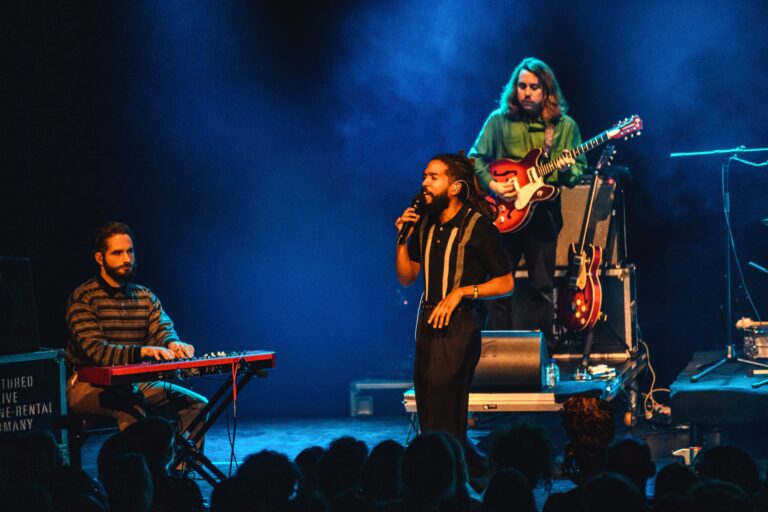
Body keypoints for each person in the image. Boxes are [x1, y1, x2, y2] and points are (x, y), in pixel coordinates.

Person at [395, 152, 514, 448]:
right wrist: (400, 239)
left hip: (460, 325)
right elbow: (407, 276)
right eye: (424, 176)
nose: (425, 182)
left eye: (434, 177)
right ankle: (454, 473)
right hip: (427, 324)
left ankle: (455, 477)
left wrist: (463, 291)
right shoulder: (424, 223)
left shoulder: (477, 225)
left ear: (455, 187)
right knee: (428, 410)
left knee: (446, 414)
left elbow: (506, 282)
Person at [468, 57, 586, 350]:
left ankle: (543, 356)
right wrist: (494, 184)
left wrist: (568, 167)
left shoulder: (563, 127)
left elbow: (576, 172)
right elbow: (474, 159)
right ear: (514, 88)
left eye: (534, 87)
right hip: (504, 216)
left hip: (542, 216)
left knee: (542, 288)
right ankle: (497, 354)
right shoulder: (498, 120)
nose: (527, 92)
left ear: (547, 91)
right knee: (498, 285)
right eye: (522, 86)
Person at [65, 222, 208, 440]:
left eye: (130, 251)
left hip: (136, 381)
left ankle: (180, 472)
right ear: (100, 258)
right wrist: (144, 351)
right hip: (88, 384)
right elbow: (98, 352)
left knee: (196, 405)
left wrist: (172, 343)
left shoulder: (144, 296)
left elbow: (161, 328)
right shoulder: (83, 298)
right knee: (132, 404)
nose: (126, 259)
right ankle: (136, 472)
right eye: (117, 253)